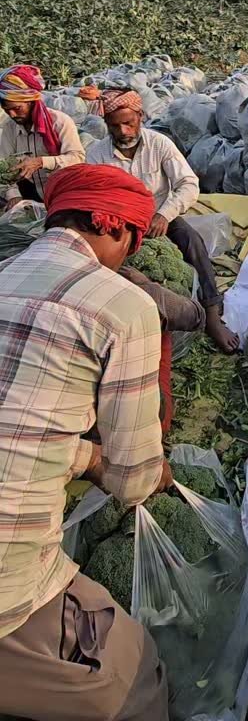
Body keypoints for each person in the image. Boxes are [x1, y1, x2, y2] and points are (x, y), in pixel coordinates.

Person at [0, 163, 173, 721]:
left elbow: (17, 416)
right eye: (136, 241)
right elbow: (133, 482)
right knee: (129, 675)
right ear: (115, 226)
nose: (131, 256)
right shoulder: (122, 306)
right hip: (8, 573)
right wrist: (140, 471)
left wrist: (84, 457)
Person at [87, 88, 238, 355]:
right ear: (106, 125)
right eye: (114, 126)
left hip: (159, 217)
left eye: (128, 123)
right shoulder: (97, 154)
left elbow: (189, 185)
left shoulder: (160, 144)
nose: (122, 131)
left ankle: (212, 313)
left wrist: (163, 214)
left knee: (192, 242)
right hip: (118, 224)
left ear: (140, 116)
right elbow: (94, 197)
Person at [121, 263, 206, 433]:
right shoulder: (142, 292)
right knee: (160, 326)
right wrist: (150, 285)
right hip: (134, 421)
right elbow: (196, 317)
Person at [0, 63, 85, 205]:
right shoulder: (10, 127)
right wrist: (14, 196)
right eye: (7, 110)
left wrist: (42, 162)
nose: (12, 114)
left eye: (17, 108)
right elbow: (3, 167)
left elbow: (77, 158)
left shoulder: (59, 122)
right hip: (29, 191)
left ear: (31, 101)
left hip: (62, 190)